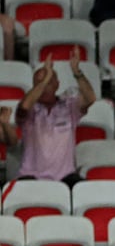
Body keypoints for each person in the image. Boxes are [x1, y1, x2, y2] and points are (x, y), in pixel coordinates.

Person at [15, 51, 96, 185]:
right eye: (39, 84)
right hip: (31, 176)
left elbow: (90, 98)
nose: (44, 88)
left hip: (65, 177)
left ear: (57, 85)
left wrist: (77, 72)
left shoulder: (69, 106)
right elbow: (24, 107)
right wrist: (46, 78)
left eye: (49, 83)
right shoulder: (29, 109)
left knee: (87, 192)